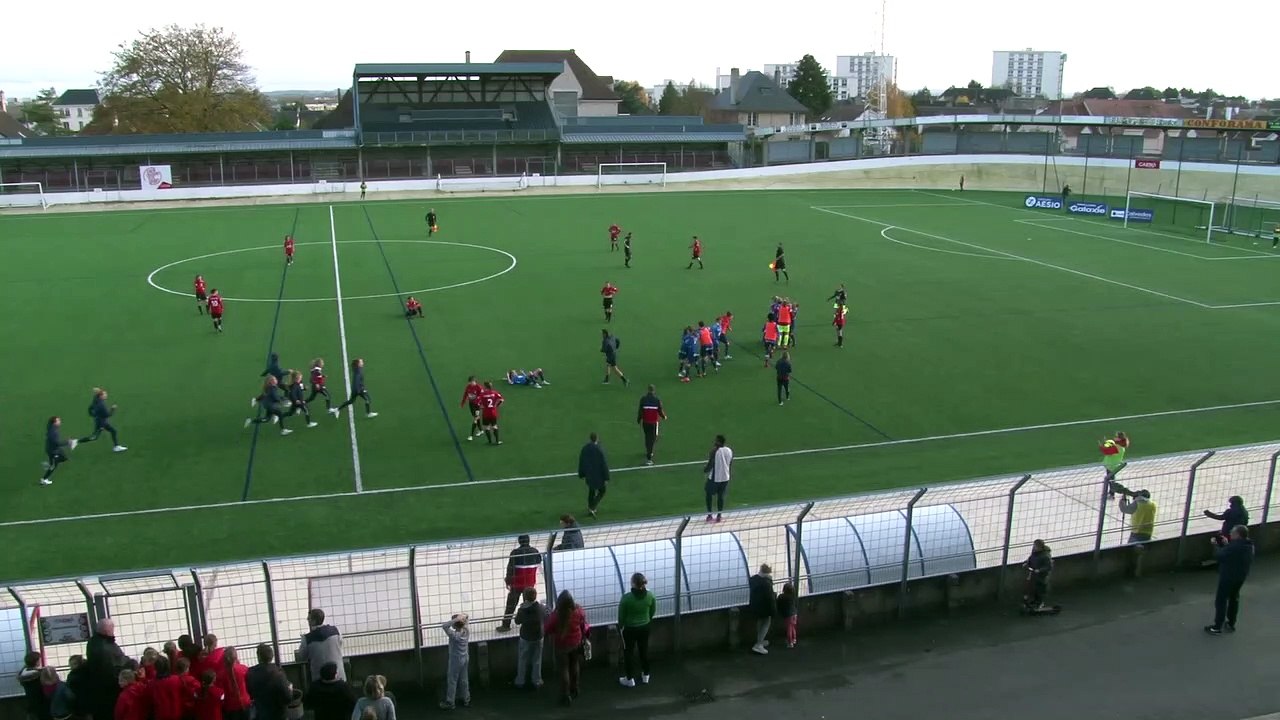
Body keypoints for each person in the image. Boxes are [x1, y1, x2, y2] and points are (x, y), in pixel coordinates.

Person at [1205, 525, 1255, 635]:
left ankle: (1217, 627)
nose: (1230, 533)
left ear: (1238, 535)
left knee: (1221, 600)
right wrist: (1227, 544)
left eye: (1232, 532)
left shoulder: (1234, 547)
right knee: (1234, 598)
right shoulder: (1248, 545)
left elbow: (1219, 556)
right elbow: (1234, 555)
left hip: (1228, 576)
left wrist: (1215, 545)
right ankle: (1231, 623)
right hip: (1240, 576)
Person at [544, 591, 589, 707]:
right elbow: (583, 622)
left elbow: (547, 628)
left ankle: (565, 695)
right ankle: (575, 688)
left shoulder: (556, 616)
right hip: (576, 643)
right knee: (575, 665)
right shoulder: (578, 611)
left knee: (564, 669)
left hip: (562, 645)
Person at [617, 573, 656, 688]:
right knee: (644, 650)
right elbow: (653, 610)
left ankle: (629, 679)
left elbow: (621, 616)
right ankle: (646, 675)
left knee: (628, 653)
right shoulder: (650, 595)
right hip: (645, 627)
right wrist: (647, 620)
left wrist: (621, 626)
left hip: (629, 629)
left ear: (633, 583)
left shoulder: (626, 598)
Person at [85, 618, 127, 720]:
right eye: (112, 629)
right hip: (110, 692)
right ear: (107, 631)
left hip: (100, 691)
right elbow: (112, 670)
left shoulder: (93, 642)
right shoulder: (105, 648)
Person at [498, 535, 543, 632]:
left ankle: (506, 625)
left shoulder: (515, 553)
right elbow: (539, 563)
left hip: (517, 583)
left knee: (511, 605)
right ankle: (528, 624)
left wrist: (508, 581)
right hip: (530, 583)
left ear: (519, 541)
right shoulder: (535, 551)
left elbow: (510, 569)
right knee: (529, 604)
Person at [297, 609, 345, 683]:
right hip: (339, 676)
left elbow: (302, 656)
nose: (307, 620)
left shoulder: (307, 638)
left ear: (314, 621)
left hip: (320, 680)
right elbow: (340, 644)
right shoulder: (336, 631)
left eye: (309, 618)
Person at [245, 645, 291, 720]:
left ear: (259, 657)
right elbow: (287, 698)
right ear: (272, 656)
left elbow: (250, 693)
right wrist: (290, 690)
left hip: (261, 714)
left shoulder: (251, 673)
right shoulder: (278, 673)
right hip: (279, 714)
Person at [514, 588, 547, 691]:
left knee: (522, 659)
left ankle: (520, 681)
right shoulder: (541, 608)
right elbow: (546, 617)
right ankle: (537, 681)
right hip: (538, 636)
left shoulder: (522, 610)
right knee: (537, 659)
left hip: (526, 637)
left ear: (525, 597)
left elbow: (517, 621)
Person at [440, 617, 470, 710]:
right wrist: (461, 618)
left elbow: (444, 626)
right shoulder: (466, 631)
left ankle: (450, 702)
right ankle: (466, 699)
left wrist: (455, 619)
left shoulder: (454, 635)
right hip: (465, 657)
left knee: (452, 680)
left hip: (455, 660)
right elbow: (466, 618)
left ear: (455, 624)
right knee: (464, 679)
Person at [578, 432, 610, 517]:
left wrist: (581, 474)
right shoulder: (599, 449)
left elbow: (581, 461)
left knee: (591, 490)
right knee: (602, 491)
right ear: (597, 439)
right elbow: (603, 464)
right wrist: (606, 477)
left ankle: (590, 507)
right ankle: (592, 507)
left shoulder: (585, 448)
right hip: (598, 475)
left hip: (589, 474)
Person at [704, 434, 734, 523]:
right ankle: (719, 516)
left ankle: (710, 515)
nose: (714, 442)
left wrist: (705, 470)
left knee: (708, 493)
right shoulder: (729, 450)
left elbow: (711, 464)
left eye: (716, 441)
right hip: (725, 477)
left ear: (719, 442)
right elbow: (730, 463)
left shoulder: (714, 451)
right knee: (721, 496)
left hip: (715, 477)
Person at [748, 565, 776, 655]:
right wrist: (773, 610)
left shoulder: (754, 579)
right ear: (767, 573)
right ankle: (759, 644)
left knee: (759, 622)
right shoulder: (766, 583)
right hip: (765, 608)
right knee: (766, 623)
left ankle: (760, 640)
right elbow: (770, 598)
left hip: (755, 606)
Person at [216, 646, 251, 720]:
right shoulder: (243, 669)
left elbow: (220, 692)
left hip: (230, 706)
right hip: (245, 703)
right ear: (236, 657)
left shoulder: (221, 674)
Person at [40, 416, 76, 486]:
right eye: (58, 421)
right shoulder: (53, 432)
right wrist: (68, 442)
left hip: (55, 449)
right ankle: (44, 479)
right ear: (54, 423)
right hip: (53, 451)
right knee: (54, 466)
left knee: (64, 458)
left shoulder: (53, 428)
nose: (60, 421)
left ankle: (50, 464)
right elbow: (57, 443)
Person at [637, 385, 667, 466]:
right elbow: (660, 410)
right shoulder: (657, 400)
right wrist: (664, 417)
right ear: (654, 391)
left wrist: (639, 419)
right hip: (653, 423)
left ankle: (649, 450)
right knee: (652, 438)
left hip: (645, 422)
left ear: (648, 390)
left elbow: (640, 410)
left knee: (647, 437)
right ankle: (649, 457)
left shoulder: (643, 399)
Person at [1022, 539, 1054, 612]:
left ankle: (1040, 603)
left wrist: (1039, 570)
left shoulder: (1045, 556)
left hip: (1042, 576)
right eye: (1034, 546)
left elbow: (1048, 566)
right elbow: (1030, 559)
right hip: (1034, 574)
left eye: (1036, 546)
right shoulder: (1034, 553)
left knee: (1040, 589)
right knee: (1034, 588)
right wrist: (1026, 563)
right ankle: (1035, 601)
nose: (1034, 547)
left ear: (1040, 547)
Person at [1100, 431, 1131, 498]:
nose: (1114, 437)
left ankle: (1112, 494)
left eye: (1116, 436)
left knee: (1110, 480)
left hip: (1111, 465)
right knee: (1111, 479)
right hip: (1113, 465)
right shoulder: (1120, 447)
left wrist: (1102, 445)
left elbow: (1107, 452)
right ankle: (1111, 493)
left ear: (1119, 439)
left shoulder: (1117, 447)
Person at [20, 651, 48, 720]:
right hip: (41, 703)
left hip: (31, 703)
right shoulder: (38, 675)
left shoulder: (23, 674)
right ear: (37, 662)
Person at [478, 380, 505, 445]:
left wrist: (481, 407)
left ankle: (489, 441)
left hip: (485, 413)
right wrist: (496, 406)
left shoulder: (482, 394)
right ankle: (497, 441)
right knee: (494, 426)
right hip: (493, 412)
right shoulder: (494, 393)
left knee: (487, 427)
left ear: (485, 386)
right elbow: (502, 400)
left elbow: (478, 403)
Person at [460, 376, 484, 440]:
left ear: (474, 381)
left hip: (477, 405)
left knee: (475, 418)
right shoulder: (468, 387)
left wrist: (481, 404)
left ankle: (471, 435)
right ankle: (481, 430)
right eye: (470, 382)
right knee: (476, 417)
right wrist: (463, 402)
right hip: (471, 404)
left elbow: (482, 396)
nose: (470, 383)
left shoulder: (479, 387)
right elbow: (465, 394)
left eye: (472, 382)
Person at [777, 582, 798, 648]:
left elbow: (778, 604)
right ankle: (794, 639)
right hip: (794, 614)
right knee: (793, 627)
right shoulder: (793, 596)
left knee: (789, 629)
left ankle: (790, 643)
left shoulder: (782, 596)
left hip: (788, 615)